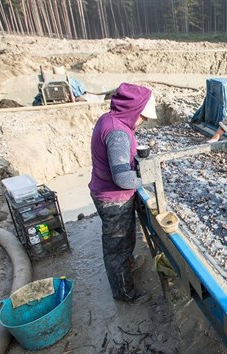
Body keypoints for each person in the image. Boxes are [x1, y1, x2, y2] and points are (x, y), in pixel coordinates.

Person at [88, 83, 156, 304]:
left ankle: (127, 264)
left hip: (104, 190)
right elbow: (123, 179)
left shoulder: (109, 119)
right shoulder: (118, 133)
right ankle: (124, 292)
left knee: (124, 240)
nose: (142, 122)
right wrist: (150, 177)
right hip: (113, 199)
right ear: (134, 110)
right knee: (117, 245)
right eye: (143, 117)